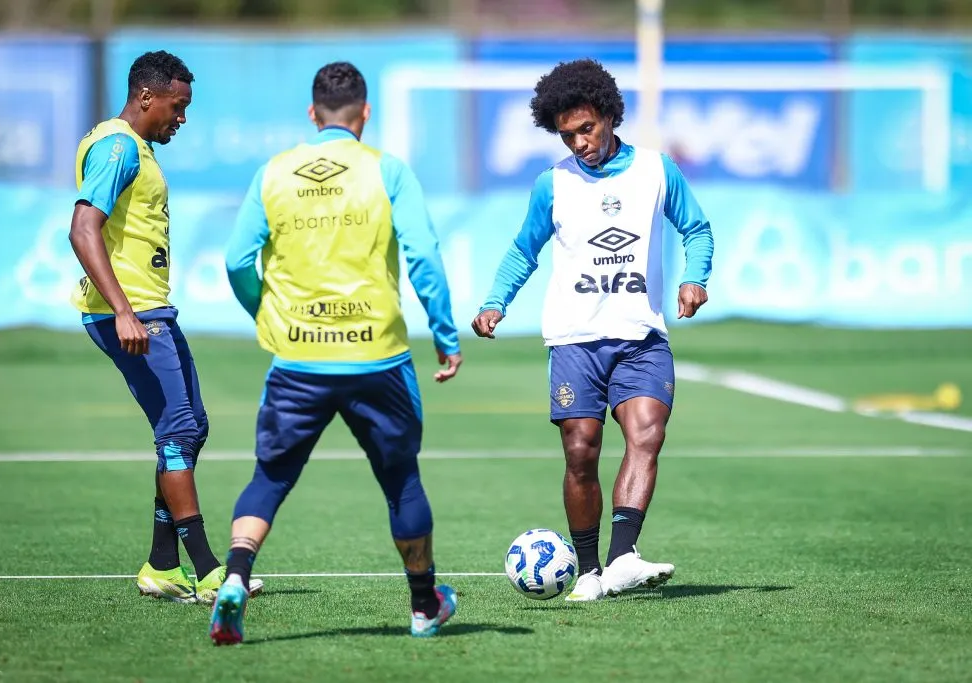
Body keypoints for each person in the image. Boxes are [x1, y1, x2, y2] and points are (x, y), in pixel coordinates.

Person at [209, 61, 463, 645]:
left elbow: (234, 260)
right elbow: (423, 255)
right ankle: (425, 606)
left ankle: (236, 578)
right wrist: (446, 337)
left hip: (298, 358)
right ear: (365, 113)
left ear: (312, 114)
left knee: (270, 477)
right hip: (378, 358)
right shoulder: (386, 170)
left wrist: (265, 313)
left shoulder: (274, 173)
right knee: (401, 482)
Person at [471, 58, 714, 601]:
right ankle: (587, 573)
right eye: (567, 135)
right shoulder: (551, 185)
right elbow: (523, 249)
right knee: (581, 451)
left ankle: (623, 555)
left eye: (587, 129)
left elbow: (696, 229)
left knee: (647, 434)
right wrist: (495, 301)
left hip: (641, 336)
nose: (579, 142)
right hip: (575, 339)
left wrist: (694, 278)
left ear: (608, 115)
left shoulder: (657, 170)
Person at [68, 50, 262, 604]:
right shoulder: (118, 147)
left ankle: (161, 564)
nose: (182, 118)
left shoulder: (138, 148)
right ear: (146, 97)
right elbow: (83, 229)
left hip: (149, 311)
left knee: (189, 426)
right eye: (177, 107)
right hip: (132, 315)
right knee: (179, 428)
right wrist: (125, 310)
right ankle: (206, 570)